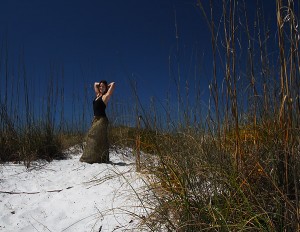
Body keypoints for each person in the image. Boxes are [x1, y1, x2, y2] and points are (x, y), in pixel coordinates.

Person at [80, 80, 115, 163]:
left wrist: (107, 86)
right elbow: (94, 84)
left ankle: (89, 158)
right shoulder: (98, 95)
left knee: (92, 135)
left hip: (102, 120)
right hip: (95, 119)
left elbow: (113, 84)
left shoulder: (105, 96)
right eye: (100, 86)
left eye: (103, 86)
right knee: (101, 140)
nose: (101, 87)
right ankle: (101, 158)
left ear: (106, 88)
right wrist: (100, 84)